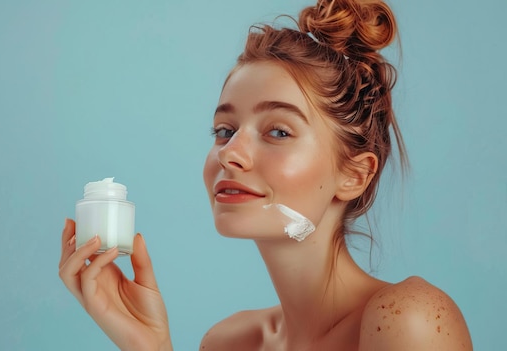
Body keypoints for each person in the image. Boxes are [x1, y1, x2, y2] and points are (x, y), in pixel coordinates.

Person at [58, 0, 473, 349]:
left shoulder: (409, 320)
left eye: (278, 131)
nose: (230, 153)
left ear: (354, 175)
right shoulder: (228, 342)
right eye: (224, 131)